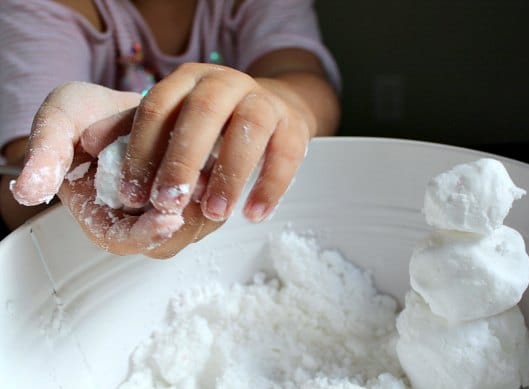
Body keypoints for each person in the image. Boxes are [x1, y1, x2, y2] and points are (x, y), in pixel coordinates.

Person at [0, 0, 340, 257]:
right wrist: (63, 173)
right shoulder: (43, 8)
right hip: (93, 263)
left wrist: (276, 104)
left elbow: (303, 79)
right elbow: (20, 190)